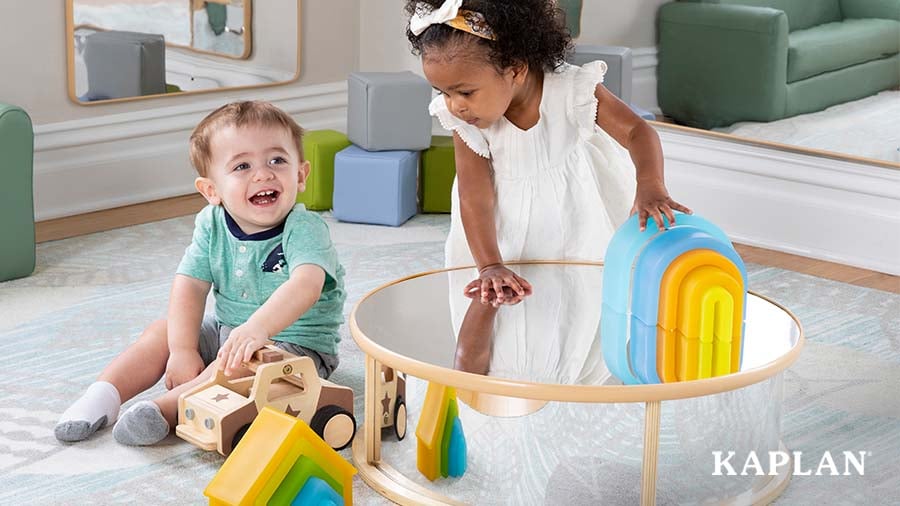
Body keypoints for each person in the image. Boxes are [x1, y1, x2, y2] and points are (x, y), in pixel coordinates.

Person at [54, 101, 346, 446]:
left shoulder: (305, 228)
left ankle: (166, 409)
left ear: (300, 175)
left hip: (295, 348)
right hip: (229, 331)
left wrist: (257, 329)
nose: (264, 174)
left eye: (277, 160)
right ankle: (104, 395)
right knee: (162, 331)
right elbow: (189, 286)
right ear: (212, 191)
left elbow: (306, 285)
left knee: (238, 364)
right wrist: (181, 349)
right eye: (242, 166)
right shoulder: (211, 224)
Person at [405, 0, 691, 306]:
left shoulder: (571, 88)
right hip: (498, 228)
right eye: (443, 93)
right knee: (499, 310)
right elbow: (473, 193)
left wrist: (650, 185)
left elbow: (637, 131)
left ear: (515, 69)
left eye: (465, 92)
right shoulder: (469, 119)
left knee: (581, 301)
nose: (454, 106)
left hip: (575, 215)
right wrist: (489, 264)